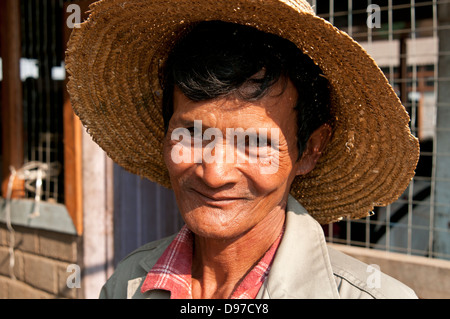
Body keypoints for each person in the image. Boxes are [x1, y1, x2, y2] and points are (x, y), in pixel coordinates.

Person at [66, 0, 420, 299]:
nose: (214, 173)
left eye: (254, 143)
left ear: (310, 150)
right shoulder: (126, 284)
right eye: (190, 134)